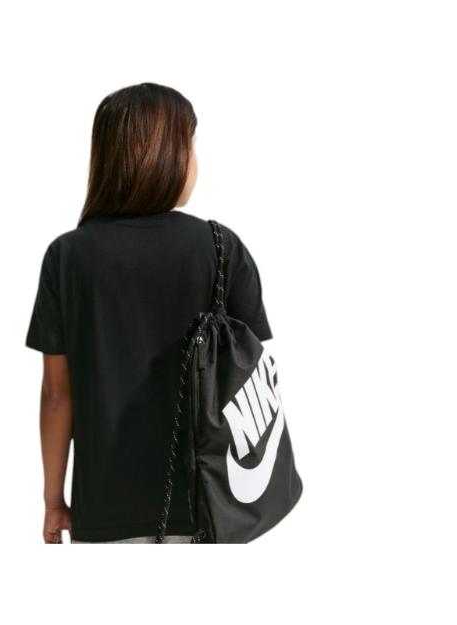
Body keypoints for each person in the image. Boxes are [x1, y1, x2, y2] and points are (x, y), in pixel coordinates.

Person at [25, 82, 273, 544]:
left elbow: (57, 395)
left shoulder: (67, 257)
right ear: (171, 155)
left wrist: (53, 500)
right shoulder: (221, 248)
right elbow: (255, 383)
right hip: (210, 508)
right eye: (191, 144)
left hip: (105, 511)